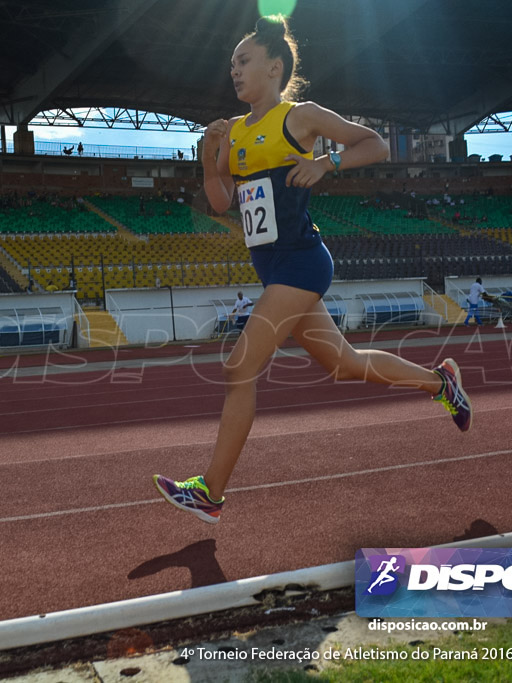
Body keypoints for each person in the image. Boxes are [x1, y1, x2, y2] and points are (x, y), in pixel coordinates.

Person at [152, 15, 472, 524]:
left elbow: (375, 144)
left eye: (243, 61)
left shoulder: (299, 118)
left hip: (301, 264)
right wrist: (208, 157)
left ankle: (210, 492)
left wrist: (326, 164)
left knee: (239, 366)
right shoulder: (231, 132)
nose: (233, 71)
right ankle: (441, 383)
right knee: (344, 364)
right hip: (273, 268)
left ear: (274, 67)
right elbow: (219, 202)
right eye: (231, 63)